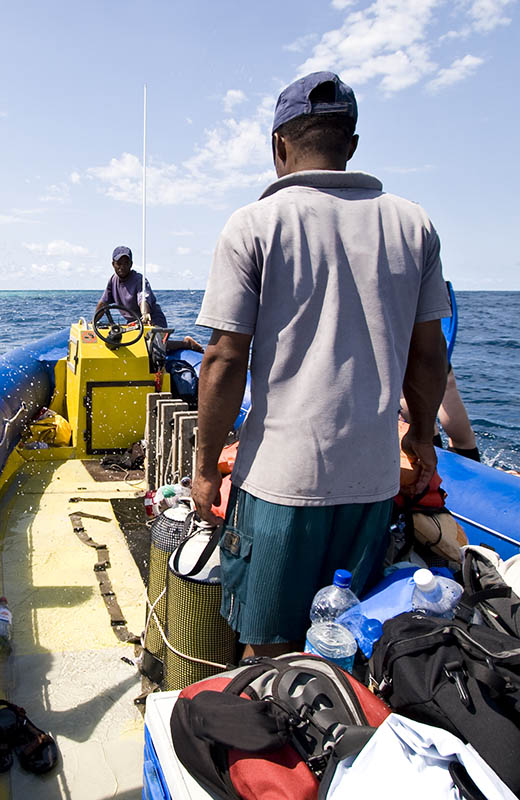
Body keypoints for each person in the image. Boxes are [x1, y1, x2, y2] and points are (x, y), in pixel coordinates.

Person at [191, 72, 450, 659]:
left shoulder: (254, 224)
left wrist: (206, 467)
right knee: (344, 638)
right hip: (373, 481)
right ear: (350, 145)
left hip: (283, 483)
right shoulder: (414, 224)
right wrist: (425, 439)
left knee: (268, 644)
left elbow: (224, 357)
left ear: (278, 146)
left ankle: (269, 732)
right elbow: (428, 352)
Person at [95, 245, 203, 352]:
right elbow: (103, 303)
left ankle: (186, 344)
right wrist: (93, 322)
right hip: (134, 324)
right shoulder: (113, 280)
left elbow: (143, 298)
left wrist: (145, 313)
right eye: (119, 263)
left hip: (152, 320)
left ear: (131, 264)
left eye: (126, 263)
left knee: (151, 346)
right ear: (113, 264)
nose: (122, 267)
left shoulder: (139, 280)